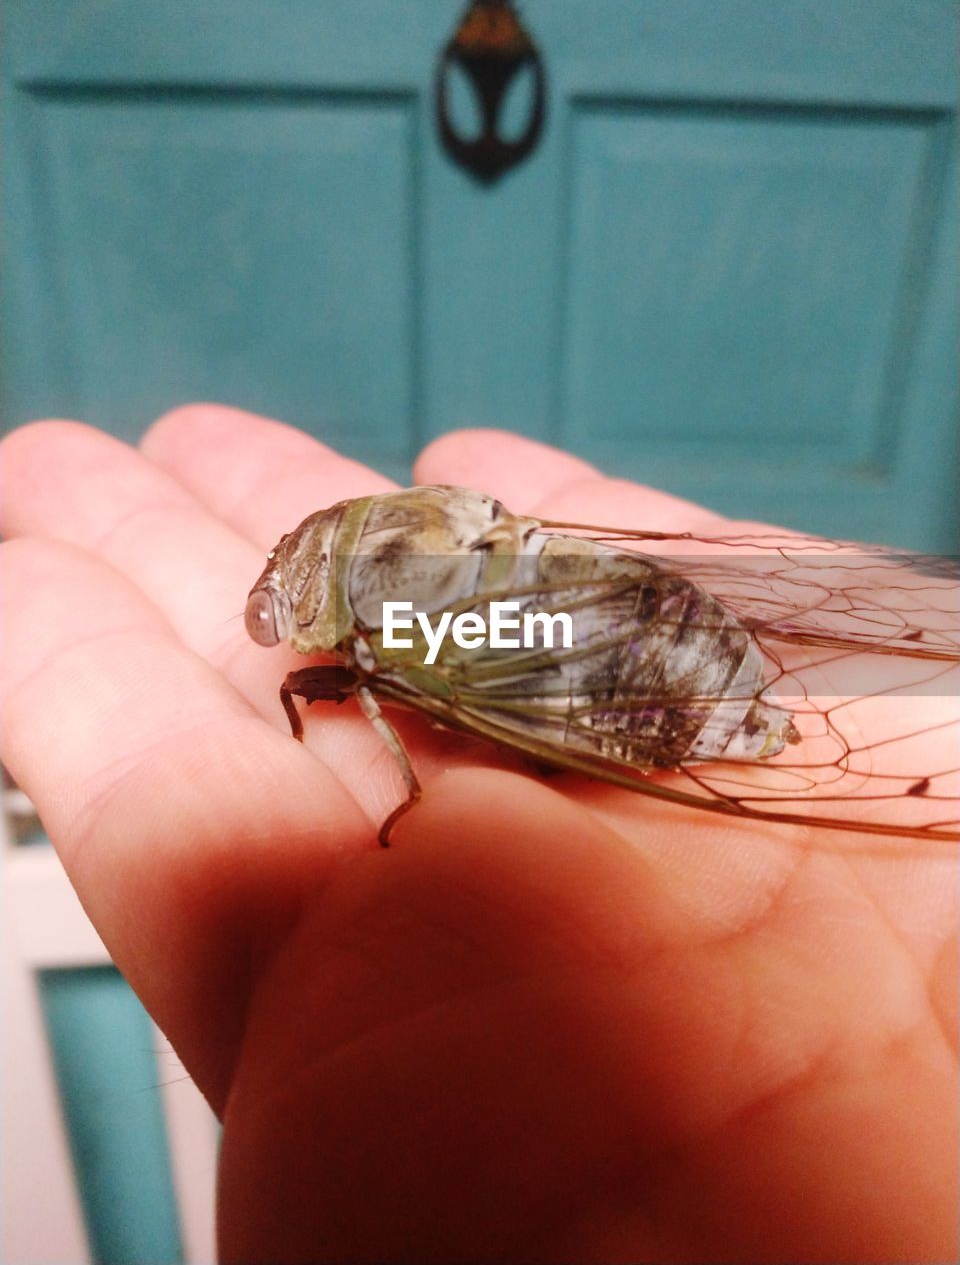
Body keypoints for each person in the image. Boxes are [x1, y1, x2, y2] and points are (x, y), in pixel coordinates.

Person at [0, 404, 955, 1264]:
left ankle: (732, 705)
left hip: (610, 680)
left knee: (430, 681)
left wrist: (406, 772)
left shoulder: (385, 652)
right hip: (631, 591)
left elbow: (380, 686)